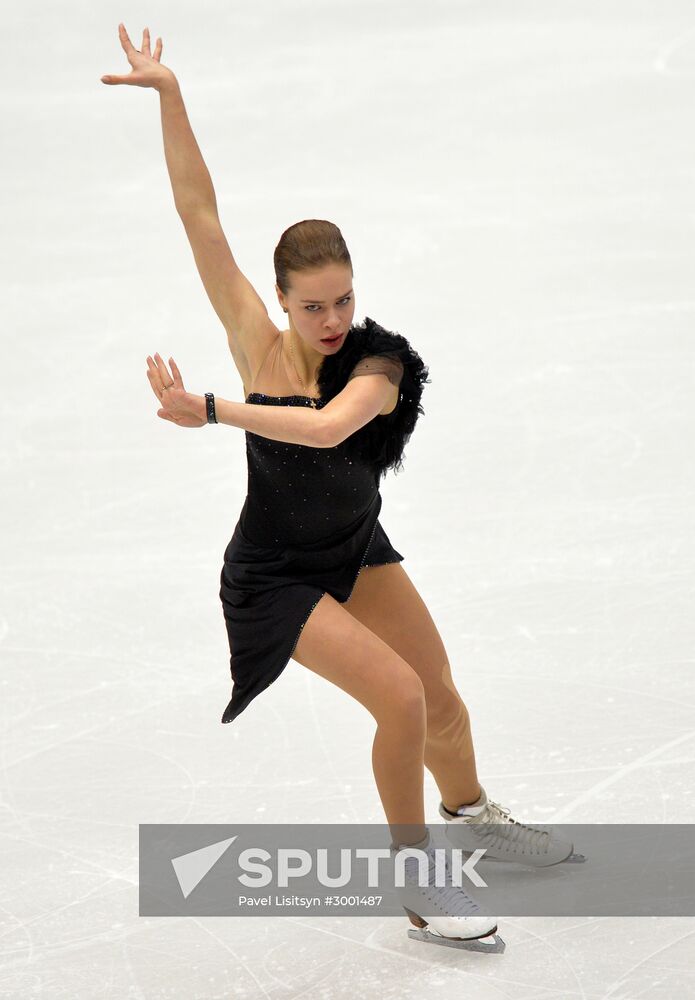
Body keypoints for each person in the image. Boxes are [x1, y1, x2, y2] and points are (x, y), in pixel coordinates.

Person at [103, 24, 580, 949]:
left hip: (356, 550)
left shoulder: (378, 363)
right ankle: (419, 886)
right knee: (400, 699)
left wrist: (214, 409)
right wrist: (170, 94)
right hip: (274, 574)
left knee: (441, 699)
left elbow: (325, 429)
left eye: (344, 299)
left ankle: (472, 813)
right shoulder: (254, 341)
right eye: (313, 304)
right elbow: (199, 214)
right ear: (281, 300)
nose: (332, 319)